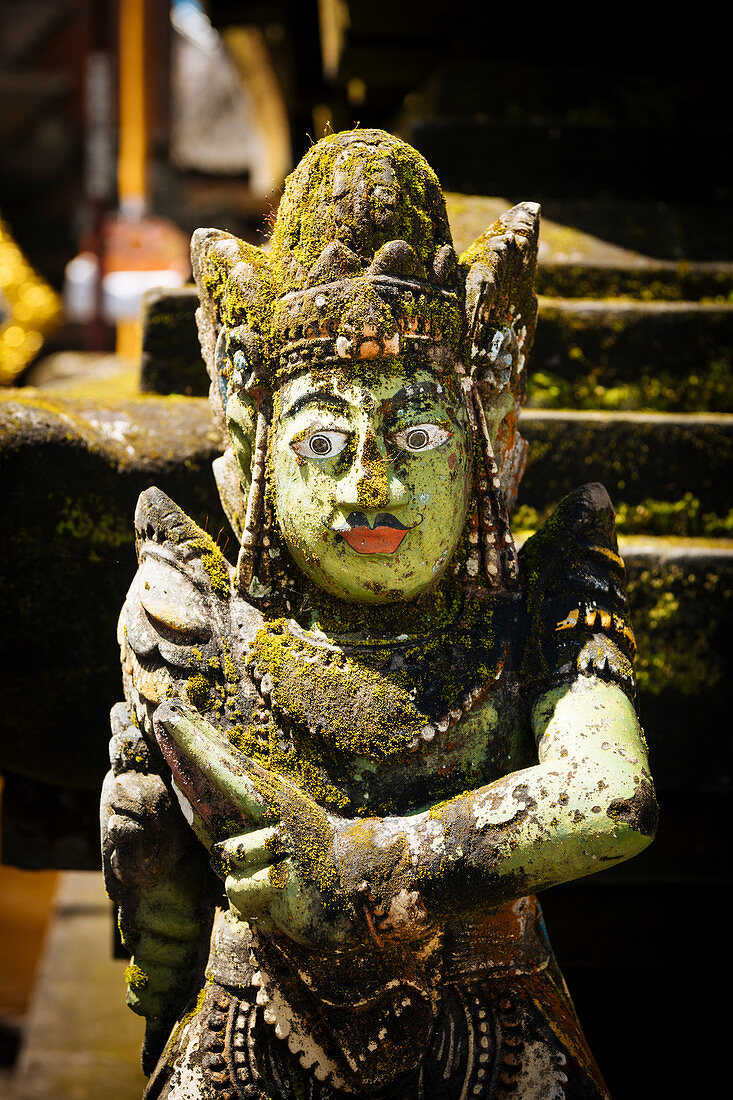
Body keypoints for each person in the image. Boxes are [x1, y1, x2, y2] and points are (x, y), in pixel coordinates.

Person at [101, 129, 656, 1099]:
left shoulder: (538, 604)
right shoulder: (198, 621)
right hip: (257, 1027)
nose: (371, 481)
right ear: (257, 443)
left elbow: (612, 792)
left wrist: (371, 870)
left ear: (483, 434)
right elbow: (169, 932)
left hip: (490, 1017)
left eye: (418, 432)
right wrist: (147, 859)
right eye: (323, 440)